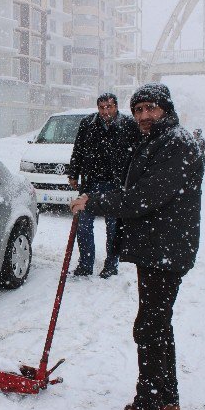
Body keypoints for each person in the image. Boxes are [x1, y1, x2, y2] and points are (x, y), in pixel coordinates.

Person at [70, 83, 205, 410]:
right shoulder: (158, 139)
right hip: (160, 247)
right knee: (159, 324)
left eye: (151, 109)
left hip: (165, 249)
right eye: (139, 109)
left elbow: (144, 197)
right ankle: (167, 396)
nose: (144, 116)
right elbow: (130, 179)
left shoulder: (175, 144)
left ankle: (147, 406)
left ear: (166, 109)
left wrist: (94, 203)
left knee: (149, 326)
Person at [67, 92, 139, 278]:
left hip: (116, 185)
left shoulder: (129, 125)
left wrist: (133, 180)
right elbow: (78, 150)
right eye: (102, 108)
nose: (106, 111)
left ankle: (111, 264)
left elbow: (137, 154)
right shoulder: (88, 124)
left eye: (109, 107)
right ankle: (85, 263)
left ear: (116, 106)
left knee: (113, 227)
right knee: (83, 225)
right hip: (91, 182)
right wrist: (74, 174)